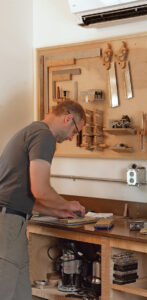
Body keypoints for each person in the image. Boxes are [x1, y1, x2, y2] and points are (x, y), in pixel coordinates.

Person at [0, 100, 86, 300]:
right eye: (75, 131)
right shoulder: (44, 135)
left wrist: (59, 211)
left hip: (13, 220)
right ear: (68, 118)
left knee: (19, 294)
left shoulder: (32, 131)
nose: (72, 137)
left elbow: (24, 195)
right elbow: (40, 189)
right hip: (8, 225)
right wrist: (67, 204)